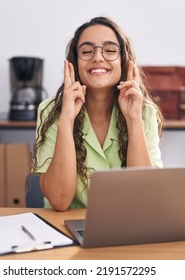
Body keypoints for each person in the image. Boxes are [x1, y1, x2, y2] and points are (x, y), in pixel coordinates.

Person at [32, 16, 163, 211]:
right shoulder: (51, 110)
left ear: (125, 62)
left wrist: (134, 120)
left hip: (128, 226)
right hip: (67, 227)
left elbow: (144, 198)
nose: (98, 58)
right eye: (86, 51)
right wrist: (66, 120)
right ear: (74, 63)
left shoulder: (143, 112)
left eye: (110, 50)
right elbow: (59, 201)